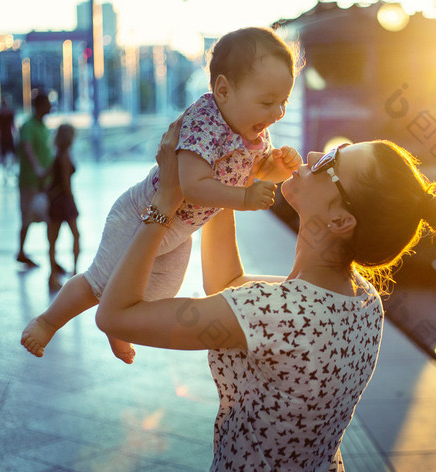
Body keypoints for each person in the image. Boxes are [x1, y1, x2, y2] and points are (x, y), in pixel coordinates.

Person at [95, 115, 436, 471]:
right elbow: (228, 284)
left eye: (331, 161)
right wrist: (229, 184)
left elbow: (115, 317)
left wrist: (165, 204)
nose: (313, 154)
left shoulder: (275, 312)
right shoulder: (361, 301)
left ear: (341, 219)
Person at [21, 26, 302, 364]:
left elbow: (254, 172)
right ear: (224, 90)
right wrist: (244, 199)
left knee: (153, 299)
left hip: (179, 231)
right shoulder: (205, 122)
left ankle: (119, 322)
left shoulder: (252, 130)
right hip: (142, 214)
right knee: (98, 282)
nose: (277, 114)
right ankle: (48, 321)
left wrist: (275, 168)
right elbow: (193, 185)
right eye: (268, 102)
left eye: (283, 103)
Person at [16, 93, 53, 268]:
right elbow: (27, 148)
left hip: (45, 183)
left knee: (49, 219)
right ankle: (21, 251)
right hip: (30, 182)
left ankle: (51, 256)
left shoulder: (43, 126)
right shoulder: (28, 126)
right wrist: (38, 168)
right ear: (39, 105)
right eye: (47, 103)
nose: (50, 107)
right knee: (27, 217)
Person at [46, 124, 81, 291]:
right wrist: (73, 201)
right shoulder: (65, 156)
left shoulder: (56, 154)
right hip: (65, 201)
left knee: (53, 240)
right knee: (76, 235)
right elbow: (67, 184)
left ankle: (52, 275)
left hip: (54, 201)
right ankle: (75, 272)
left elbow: (47, 176)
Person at [0, 96, 17, 184]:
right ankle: (6, 174)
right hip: (3, 138)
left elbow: (13, 126)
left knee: (12, 156)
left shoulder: (10, 114)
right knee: (4, 157)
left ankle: (10, 171)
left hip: (8, 137)